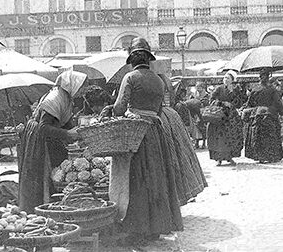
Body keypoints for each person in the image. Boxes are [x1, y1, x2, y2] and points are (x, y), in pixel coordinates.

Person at [110, 38, 206, 247]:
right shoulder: (158, 80)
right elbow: (159, 109)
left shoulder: (130, 77)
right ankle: (156, 228)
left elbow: (119, 108)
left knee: (136, 179)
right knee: (156, 177)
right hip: (156, 131)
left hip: (137, 134)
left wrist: (117, 110)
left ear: (132, 59)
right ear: (149, 59)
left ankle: (138, 230)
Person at [18, 70, 88, 213]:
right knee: (43, 174)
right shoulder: (55, 98)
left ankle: (52, 204)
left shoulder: (66, 98)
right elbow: (44, 127)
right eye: (82, 86)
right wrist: (68, 134)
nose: (84, 90)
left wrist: (79, 132)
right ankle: (41, 209)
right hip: (40, 139)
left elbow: (64, 121)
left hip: (49, 138)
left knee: (57, 170)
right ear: (72, 85)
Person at [244, 68, 283, 163]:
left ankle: (260, 156)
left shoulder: (255, 89)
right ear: (269, 77)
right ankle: (270, 156)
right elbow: (278, 103)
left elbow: (249, 104)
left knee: (258, 136)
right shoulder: (272, 90)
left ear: (259, 77)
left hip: (257, 115)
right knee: (270, 136)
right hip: (270, 115)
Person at [207, 71, 244, 166]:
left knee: (230, 136)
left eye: (228, 78)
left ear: (232, 80)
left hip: (230, 117)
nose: (225, 80)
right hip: (219, 116)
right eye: (224, 78)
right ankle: (218, 158)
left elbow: (239, 102)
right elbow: (211, 100)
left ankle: (229, 157)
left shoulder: (235, 90)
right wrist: (222, 103)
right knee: (219, 137)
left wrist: (234, 94)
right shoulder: (219, 88)